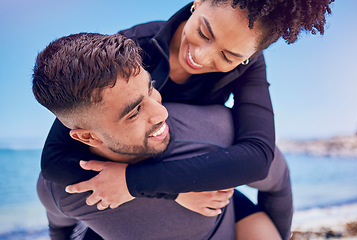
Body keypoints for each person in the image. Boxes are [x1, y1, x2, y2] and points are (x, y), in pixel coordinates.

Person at [40, 1, 334, 239]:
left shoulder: (249, 66)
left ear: (250, 55)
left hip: (195, 173)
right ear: (198, 3)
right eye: (205, 33)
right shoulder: (128, 55)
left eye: (229, 56)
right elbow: (54, 161)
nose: (202, 58)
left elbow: (258, 158)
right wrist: (173, 193)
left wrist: (134, 183)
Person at [33, 32, 282, 239]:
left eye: (151, 87)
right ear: (88, 137)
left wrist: (161, 185)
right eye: (134, 112)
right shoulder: (64, 188)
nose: (161, 113)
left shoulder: (216, 135)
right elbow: (60, 227)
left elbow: (278, 182)